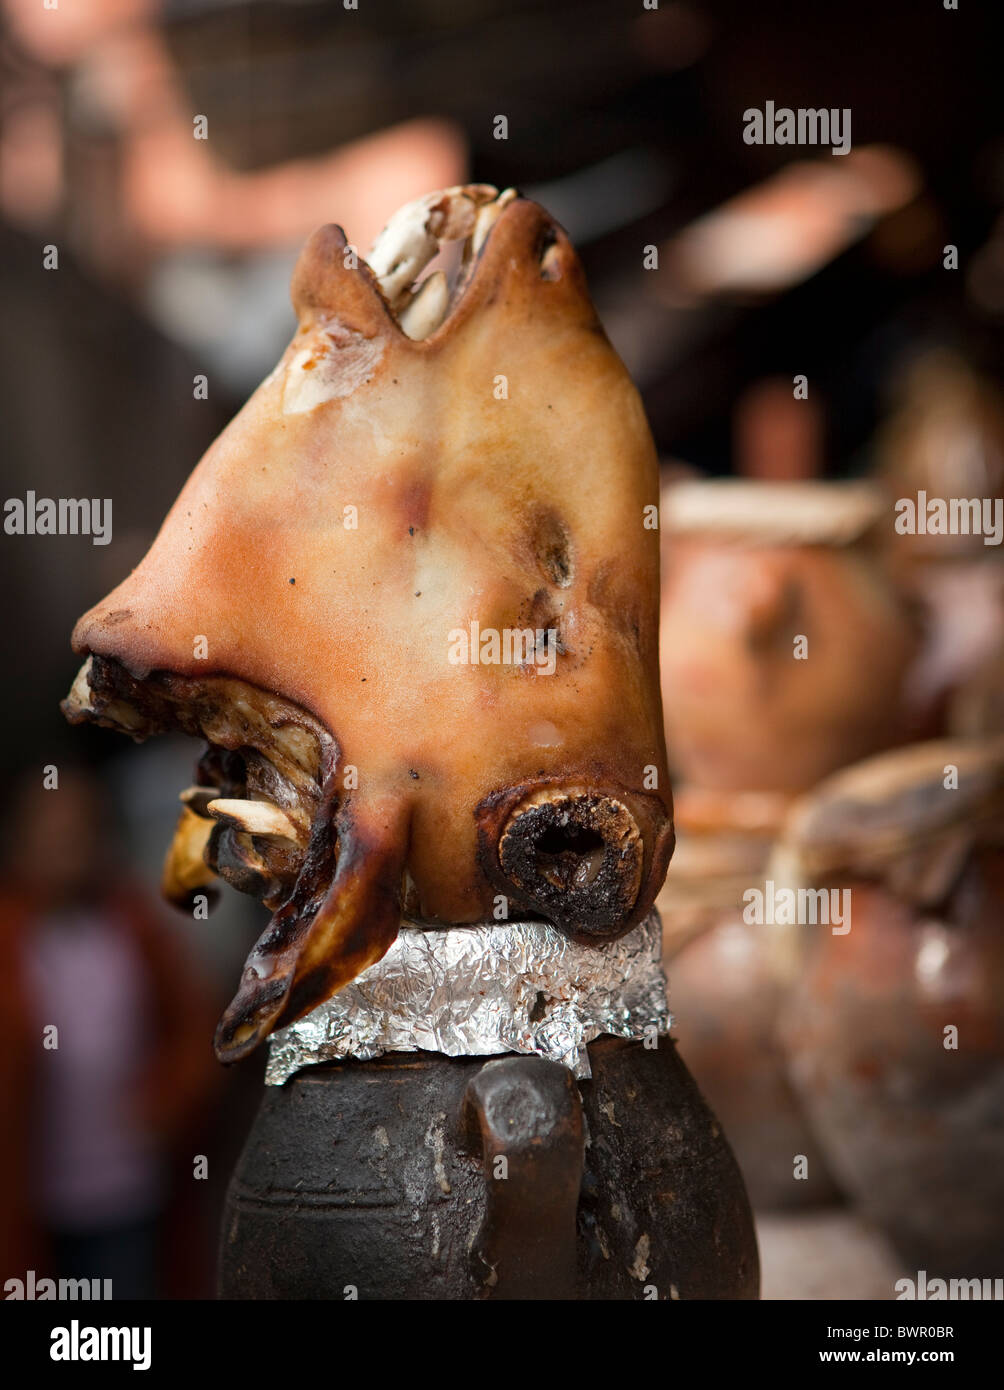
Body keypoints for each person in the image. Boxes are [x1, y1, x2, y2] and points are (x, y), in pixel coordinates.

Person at [0, 762, 217, 1298]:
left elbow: (196, 1033)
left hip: (126, 1190)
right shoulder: (11, 936)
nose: (64, 848)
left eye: (77, 831)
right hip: (33, 1196)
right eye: (49, 832)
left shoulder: (133, 928)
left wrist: (167, 1100)